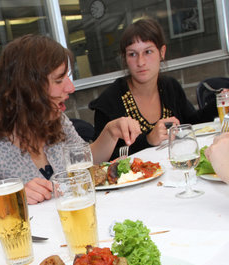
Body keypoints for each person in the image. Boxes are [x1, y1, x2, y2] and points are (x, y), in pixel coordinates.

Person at [0, 34, 141, 226]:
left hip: (73, 225)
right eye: (59, 80)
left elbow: (85, 163)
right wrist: (15, 202)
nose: (70, 88)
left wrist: (111, 133)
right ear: (27, 88)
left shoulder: (56, 120)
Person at [89, 18, 218, 160]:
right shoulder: (109, 101)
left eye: (148, 52)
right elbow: (103, 161)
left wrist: (219, 103)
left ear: (162, 52)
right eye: (132, 54)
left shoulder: (170, 87)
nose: (141, 62)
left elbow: (192, 125)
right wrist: (148, 140)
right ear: (125, 59)